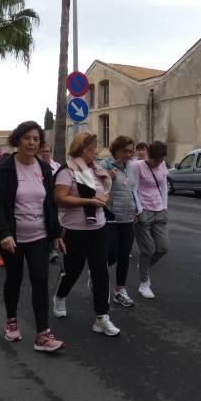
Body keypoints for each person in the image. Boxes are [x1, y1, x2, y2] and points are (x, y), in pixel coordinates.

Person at [0, 121, 65, 352]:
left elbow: (50, 205)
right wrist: (3, 233)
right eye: (27, 138)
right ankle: (11, 320)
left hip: (39, 236)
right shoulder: (6, 168)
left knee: (41, 281)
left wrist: (56, 233)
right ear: (18, 140)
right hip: (12, 238)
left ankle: (42, 334)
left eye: (35, 139)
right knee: (14, 279)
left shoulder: (44, 169)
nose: (32, 143)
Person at [52, 132, 119, 337]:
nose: (96, 151)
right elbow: (60, 199)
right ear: (82, 149)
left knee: (100, 272)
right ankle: (60, 296)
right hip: (75, 230)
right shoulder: (68, 171)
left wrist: (103, 199)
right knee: (72, 271)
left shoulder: (96, 170)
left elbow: (103, 194)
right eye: (92, 148)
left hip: (98, 228)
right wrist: (89, 202)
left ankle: (102, 318)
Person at [105, 135, 140, 307]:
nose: (128, 154)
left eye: (130, 151)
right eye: (124, 151)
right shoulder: (106, 166)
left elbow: (133, 190)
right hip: (111, 219)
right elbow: (96, 190)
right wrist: (106, 179)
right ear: (116, 151)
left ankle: (120, 290)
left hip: (127, 218)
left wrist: (136, 210)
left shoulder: (132, 168)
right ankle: (98, 271)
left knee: (124, 255)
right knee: (112, 254)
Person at [133, 140, 169, 299]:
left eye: (161, 160)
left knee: (163, 248)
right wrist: (139, 210)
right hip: (144, 211)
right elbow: (133, 189)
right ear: (149, 155)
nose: (159, 163)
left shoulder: (162, 165)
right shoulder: (138, 166)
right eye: (156, 160)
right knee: (146, 249)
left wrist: (165, 207)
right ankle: (144, 283)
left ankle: (144, 266)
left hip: (159, 210)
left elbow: (163, 187)